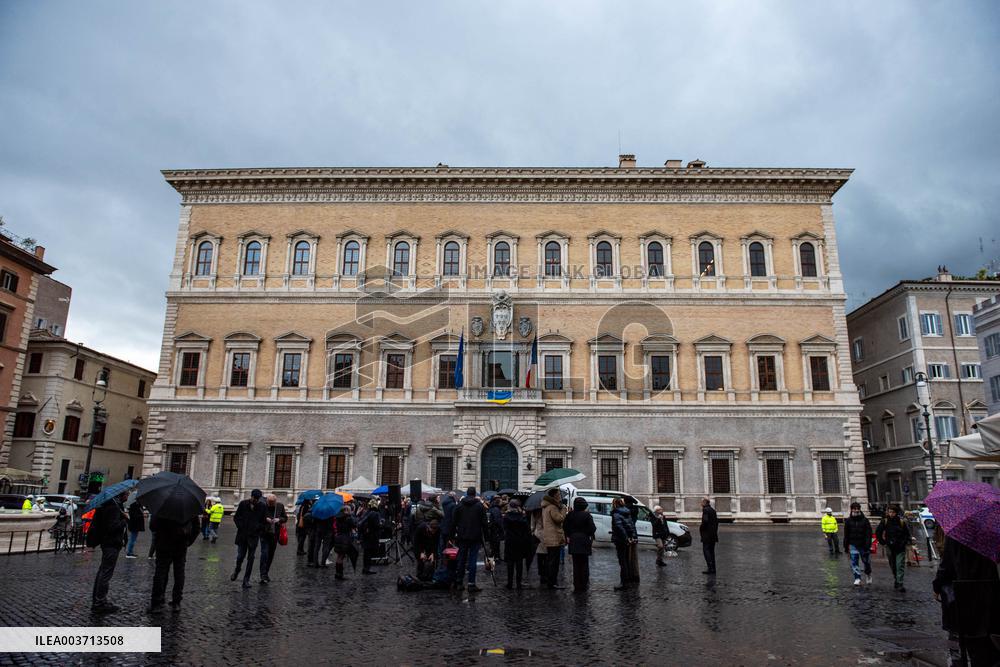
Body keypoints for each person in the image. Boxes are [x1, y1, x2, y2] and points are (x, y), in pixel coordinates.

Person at [933, 534, 1000, 666]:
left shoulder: (957, 535)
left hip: (963, 595)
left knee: (961, 639)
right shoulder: (993, 535)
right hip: (989, 595)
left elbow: (946, 566)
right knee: (986, 643)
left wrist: (937, 586)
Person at [148, 510, 200, 613]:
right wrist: (188, 542)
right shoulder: (188, 507)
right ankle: (176, 602)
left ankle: (157, 602)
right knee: (179, 573)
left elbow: (152, 525)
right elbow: (196, 528)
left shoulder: (162, 506)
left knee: (160, 572)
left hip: (163, 543)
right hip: (181, 544)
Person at [87, 490, 129, 613]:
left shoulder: (110, 504)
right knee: (105, 573)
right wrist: (124, 519)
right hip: (111, 543)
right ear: (121, 495)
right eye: (127, 494)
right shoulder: (113, 507)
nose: (128, 496)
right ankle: (99, 602)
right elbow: (112, 527)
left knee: (103, 571)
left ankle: (98, 600)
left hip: (108, 542)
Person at [451, 486, 488, 593]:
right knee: (472, 560)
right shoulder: (479, 506)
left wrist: (452, 536)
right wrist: (487, 537)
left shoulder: (459, 505)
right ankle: (471, 584)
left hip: (462, 536)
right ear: (475, 494)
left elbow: (453, 522)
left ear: (467, 493)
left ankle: (459, 582)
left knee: (461, 559)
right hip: (475, 536)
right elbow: (484, 523)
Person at [232, 489, 267, 588]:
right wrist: (241, 526)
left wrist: (258, 527)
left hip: (253, 537)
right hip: (242, 536)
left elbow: (263, 521)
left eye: (257, 499)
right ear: (251, 497)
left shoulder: (262, 506)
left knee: (251, 559)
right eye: (254, 498)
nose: (256, 500)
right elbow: (236, 517)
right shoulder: (243, 504)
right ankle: (237, 569)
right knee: (240, 556)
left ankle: (246, 580)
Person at [876, 504, 912, 591]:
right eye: (890, 512)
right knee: (893, 565)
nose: (891, 514)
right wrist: (883, 542)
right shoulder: (885, 521)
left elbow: (907, 534)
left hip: (900, 547)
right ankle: (896, 578)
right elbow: (878, 532)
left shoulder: (901, 522)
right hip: (890, 547)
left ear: (896, 513)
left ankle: (900, 583)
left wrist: (905, 542)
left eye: (893, 512)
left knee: (900, 565)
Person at [564, 496, 596, 593]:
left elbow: (565, 527)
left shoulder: (570, 514)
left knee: (576, 564)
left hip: (574, 540)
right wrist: (586, 533)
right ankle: (584, 584)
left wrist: (570, 534)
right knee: (584, 564)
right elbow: (592, 528)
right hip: (584, 540)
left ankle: (577, 584)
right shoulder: (587, 515)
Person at [540, 488, 568, 589]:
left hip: (550, 537)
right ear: (554, 496)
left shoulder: (546, 506)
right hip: (554, 538)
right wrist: (564, 509)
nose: (559, 496)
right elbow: (559, 519)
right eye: (558, 494)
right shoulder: (552, 507)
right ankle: (552, 583)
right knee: (554, 562)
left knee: (551, 560)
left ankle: (550, 581)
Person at [502, 499, 532, 589]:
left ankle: (510, 583)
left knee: (510, 562)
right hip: (520, 541)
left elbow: (504, 528)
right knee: (519, 562)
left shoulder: (506, 517)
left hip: (510, 541)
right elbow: (527, 530)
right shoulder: (522, 517)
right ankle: (518, 583)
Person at [258, 494, 287, 584]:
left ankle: (266, 572)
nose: (270, 504)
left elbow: (285, 518)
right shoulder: (262, 506)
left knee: (270, 554)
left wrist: (279, 520)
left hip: (275, 535)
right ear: (267, 501)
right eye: (269, 503)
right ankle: (263, 574)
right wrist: (265, 519)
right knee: (264, 553)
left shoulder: (280, 506)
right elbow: (258, 518)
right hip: (264, 534)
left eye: (272, 503)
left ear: (275, 501)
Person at [842, 501, 873, 586]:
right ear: (851, 510)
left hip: (863, 544)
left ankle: (868, 574)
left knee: (866, 562)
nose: (856, 510)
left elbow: (869, 533)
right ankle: (857, 578)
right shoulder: (848, 521)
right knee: (854, 562)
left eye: (857, 509)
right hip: (853, 544)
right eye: (854, 509)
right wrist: (846, 546)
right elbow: (846, 534)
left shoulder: (865, 520)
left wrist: (868, 544)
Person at [611, 497, 638, 591]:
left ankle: (624, 583)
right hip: (627, 540)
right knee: (626, 560)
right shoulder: (627, 512)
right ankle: (627, 581)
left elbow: (619, 527)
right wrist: (633, 536)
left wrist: (626, 538)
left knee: (622, 561)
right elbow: (631, 526)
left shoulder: (616, 514)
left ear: (614, 504)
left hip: (620, 540)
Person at [358, 499, 383, 575]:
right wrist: (381, 523)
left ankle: (365, 568)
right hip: (372, 536)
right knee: (369, 553)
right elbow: (377, 525)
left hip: (365, 536)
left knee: (366, 553)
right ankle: (367, 569)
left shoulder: (366, 512)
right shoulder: (375, 514)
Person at [332, 505, 358, 579]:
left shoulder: (338, 517)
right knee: (342, 556)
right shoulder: (348, 518)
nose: (350, 511)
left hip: (338, 537)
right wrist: (351, 516)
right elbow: (354, 524)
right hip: (345, 539)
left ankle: (338, 573)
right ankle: (339, 574)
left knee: (339, 556)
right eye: (349, 510)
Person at [700, 497, 719, 575]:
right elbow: (716, 522)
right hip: (713, 534)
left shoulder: (705, 510)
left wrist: (701, 528)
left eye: (701, 502)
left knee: (706, 551)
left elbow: (705, 521)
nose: (700, 504)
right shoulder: (713, 510)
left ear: (704, 503)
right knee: (711, 551)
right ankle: (713, 568)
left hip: (707, 534)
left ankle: (710, 568)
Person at [487, 496, 505, 562]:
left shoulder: (493, 508)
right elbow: (497, 521)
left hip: (493, 529)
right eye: (501, 501)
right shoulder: (496, 509)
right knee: (495, 544)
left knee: (494, 544)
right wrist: (502, 528)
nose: (502, 502)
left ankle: (495, 557)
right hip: (495, 530)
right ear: (498, 502)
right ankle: (494, 558)